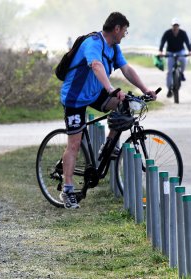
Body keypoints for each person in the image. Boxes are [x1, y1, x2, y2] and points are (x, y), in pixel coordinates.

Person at [60, 12, 156, 209]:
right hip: (75, 97)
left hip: (94, 93)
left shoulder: (114, 48)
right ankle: (67, 189)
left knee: (126, 104)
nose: (124, 35)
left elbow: (126, 69)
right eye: (125, 31)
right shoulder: (93, 43)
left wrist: (145, 89)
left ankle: (108, 146)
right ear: (117, 28)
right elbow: (95, 65)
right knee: (74, 144)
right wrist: (111, 89)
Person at [159, 18, 191, 98]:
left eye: (177, 25)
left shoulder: (183, 33)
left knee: (184, 61)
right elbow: (163, 42)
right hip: (170, 52)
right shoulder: (167, 33)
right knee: (169, 72)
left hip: (180, 51)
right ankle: (169, 89)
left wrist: (190, 50)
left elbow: (187, 42)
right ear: (172, 26)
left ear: (179, 26)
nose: (175, 27)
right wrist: (160, 51)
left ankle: (181, 73)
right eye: (174, 25)